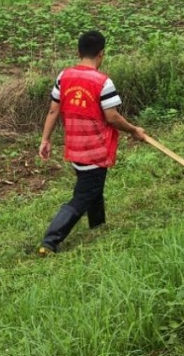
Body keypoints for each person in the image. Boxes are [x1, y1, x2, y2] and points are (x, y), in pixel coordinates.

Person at [38, 30, 145, 255]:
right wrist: (134, 130)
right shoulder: (103, 82)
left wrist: (45, 139)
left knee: (92, 188)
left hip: (75, 146)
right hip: (95, 149)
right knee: (84, 195)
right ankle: (50, 240)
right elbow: (112, 117)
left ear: (78, 52)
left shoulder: (63, 76)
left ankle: (98, 225)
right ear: (102, 54)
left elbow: (53, 110)